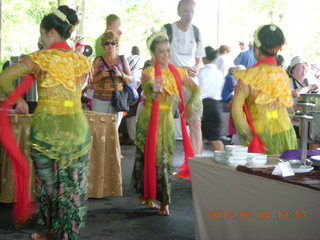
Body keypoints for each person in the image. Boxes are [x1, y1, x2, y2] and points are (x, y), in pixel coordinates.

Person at [0, 5, 92, 240]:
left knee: (48, 187)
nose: (41, 38)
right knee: (72, 188)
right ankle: (65, 234)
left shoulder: (39, 59)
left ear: (51, 32)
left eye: (42, 33)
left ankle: (53, 232)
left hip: (47, 130)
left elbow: (3, 79)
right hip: (76, 129)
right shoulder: (82, 61)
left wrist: (18, 99)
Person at [130, 32, 200, 216]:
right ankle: (147, 194)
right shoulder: (149, 72)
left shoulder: (178, 71)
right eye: (161, 52)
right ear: (153, 54)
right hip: (148, 121)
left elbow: (196, 89)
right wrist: (153, 89)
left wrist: (192, 103)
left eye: (168, 50)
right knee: (145, 159)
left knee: (164, 161)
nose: (166, 55)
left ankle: (164, 201)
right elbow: (147, 88)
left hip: (166, 122)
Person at [231, 24, 297, 154]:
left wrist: (248, 137)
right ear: (277, 49)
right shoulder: (282, 75)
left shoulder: (248, 76)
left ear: (256, 49)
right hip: (286, 132)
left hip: (262, 136)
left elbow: (236, 109)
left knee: (261, 173)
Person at [161, 0, 204, 156]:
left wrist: (196, 68)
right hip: (170, 81)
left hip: (191, 83)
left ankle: (195, 162)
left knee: (196, 123)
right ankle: (161, 161)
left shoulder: (197, 31)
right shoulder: (167, 29)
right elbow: (159, 56)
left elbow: (199, 60)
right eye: (186, 11)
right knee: (164, 123)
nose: (189, 15)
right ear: (178, 11)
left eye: (192, 11)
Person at [91, 30, 132, 128]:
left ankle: (111, 144)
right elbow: (90, 80)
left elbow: (130, 79)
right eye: (107, 43)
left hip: (117, 99)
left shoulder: (122, 59)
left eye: (113, 43)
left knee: (113, 129)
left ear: (116, 44)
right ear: (103, 45)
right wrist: (101, 75)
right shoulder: (98, 60)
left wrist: (120, 74)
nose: (110, 45)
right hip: (99, 99)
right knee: (98, 128)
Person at [198, 46, 225, 151]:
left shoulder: (201, 72)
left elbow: (199, 90)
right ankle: (221, 163)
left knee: (198, 136)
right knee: (215, 136)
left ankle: (196, 162)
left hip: (204, 104)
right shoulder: (219, 73)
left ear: (204, 58)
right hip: (217, 105)